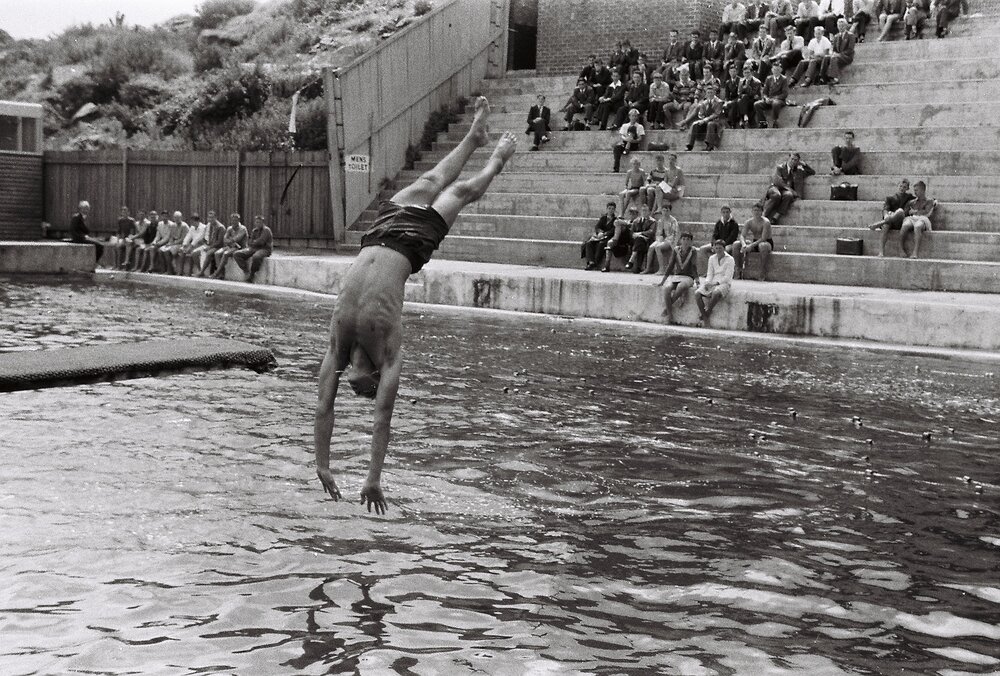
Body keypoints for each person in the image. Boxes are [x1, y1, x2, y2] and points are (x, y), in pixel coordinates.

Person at [314, 98, 517, 513]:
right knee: (460, 191)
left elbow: (322, 406)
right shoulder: (388, 352)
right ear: (370, 377)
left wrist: (323, 465)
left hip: (377, 235)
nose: (355, 390)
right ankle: (496, 159)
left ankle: (474, 136)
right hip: (411, 246)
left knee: (428, 177)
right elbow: (383, 419)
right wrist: (373, 478)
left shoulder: (338, 343)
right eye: (362, 390)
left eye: (352, 387)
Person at [763, 152, 815, 223]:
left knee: (789, 195)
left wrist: (804, 164)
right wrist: (791, 190)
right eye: (792, 159)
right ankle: (763, 216)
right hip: (775, 188)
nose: (793, 161)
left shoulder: (798, 171)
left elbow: (812, 172)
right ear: (788, 158)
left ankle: (775, 217)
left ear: (798, 162)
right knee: (777, 195)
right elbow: (778, 181)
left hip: (785, 191)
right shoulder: (780, 167)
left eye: (795, 160)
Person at [657, 231, 698, 324]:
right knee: (667, 289)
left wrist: (697, 281)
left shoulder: (693, 251)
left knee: (680, 287)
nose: (685, 241)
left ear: (691, 241)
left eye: (688, 239)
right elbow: (670, 265)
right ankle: (670, 315)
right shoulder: (676, 250)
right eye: (683, 239)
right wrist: (663, 281)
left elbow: (694, 266)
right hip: (677, 276)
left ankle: (667, 309)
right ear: (680, 240)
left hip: (688, 277)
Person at [868, 178, 915, 256]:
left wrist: (934, 201)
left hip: (901, 221)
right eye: (900, 186)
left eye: (904, 187)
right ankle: (881, 251)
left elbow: (921, 198)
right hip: (890, 221)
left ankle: (878, 224)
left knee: (900, 211)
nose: (902, 188)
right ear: (898, 186)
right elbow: (885, 209)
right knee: (886, 225)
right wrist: (886, 215)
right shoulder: (890, 198)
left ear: (907, 188)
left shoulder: (909, 197)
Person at [696, 239, 736, 325]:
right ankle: (705, 315)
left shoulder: (730, 259)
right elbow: (709, 273)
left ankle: (707, 313)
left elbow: (727, 277)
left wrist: (715, 283)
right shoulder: (711, 258)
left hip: (724, 283)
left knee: (715, 293)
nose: (718, 250)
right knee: (697, 293)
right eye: (716, 248)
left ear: (724, 249)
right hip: (712, 282)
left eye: (720, 248)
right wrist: (707, 282)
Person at [699, 204, 743, 273]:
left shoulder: (734, 223)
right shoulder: (719, 222)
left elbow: (732, 237)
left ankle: (723, 272)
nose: (725, 214)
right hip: (718, 244)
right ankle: (708, 271)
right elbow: (714, 235)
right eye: (724, 212)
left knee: (726, 250)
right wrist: (714, 245)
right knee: (702, 249)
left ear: (730, 212)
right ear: (721, 213)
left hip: (729, 244)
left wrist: (721, 246)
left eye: (727, 212)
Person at [899, 180, 936, 258]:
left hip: (923, 219)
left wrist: (914, 211)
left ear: (923, 190)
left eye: (917, 190)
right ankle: (900, 249)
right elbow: (906, 212)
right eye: (914, 190)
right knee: (905, 225)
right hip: (912, 218)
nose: (915, 192)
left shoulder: (929, 201)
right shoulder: (912, 202)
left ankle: (915, 252)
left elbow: (926, 212)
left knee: (917, 226)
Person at [738, 202, 774, 280]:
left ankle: (762, 271)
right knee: (736, 244)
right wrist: (744, 245)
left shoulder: (766, 222)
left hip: (767, 242)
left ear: (762, 212)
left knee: (762, 246)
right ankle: (738, 270)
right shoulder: (749, 222)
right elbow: (742, 236)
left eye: (758, 210)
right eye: (754, 210)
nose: (756, 212)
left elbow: (763, 238)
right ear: (752, 211)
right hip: (755, 241)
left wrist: (750, 246)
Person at [233, 215, 273, 282]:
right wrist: (255, 242)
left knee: (256, 256)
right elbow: (250, 242)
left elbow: (261, 242)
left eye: (259, 222)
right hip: (254, 248)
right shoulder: (254, 230)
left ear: (263, 223)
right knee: (237, 254)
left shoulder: (266, 230)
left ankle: (252, 274)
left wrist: (255, 242)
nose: (257, 224)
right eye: (256, 222)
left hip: (265, 249)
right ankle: (246, 270)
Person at [686, 85, 726, 151]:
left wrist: (706, 119)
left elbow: (716, 114)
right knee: (695, 124)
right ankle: (689, 145)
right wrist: (703, 119)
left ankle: (710, 145)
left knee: (710, 124)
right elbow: (700, 114)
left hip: (717, 122)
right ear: (706, 94)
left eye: (711, 92)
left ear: (714, 93)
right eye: (708, 93)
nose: (710, 94)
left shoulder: (719, 102)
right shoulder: (704, 103)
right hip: (706, 121)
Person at [645, 202, 679, 274]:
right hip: (662, 239)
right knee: (651, 247)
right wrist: (659, 239)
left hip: (670, 241)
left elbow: (674, 234)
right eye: (663, 210)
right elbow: (658, 233)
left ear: (670, 211)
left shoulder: (673, 221)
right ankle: (648, 268)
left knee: (658, 247)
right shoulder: (661, 221)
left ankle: (662, 269)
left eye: (667, 211)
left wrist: (666, 240)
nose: (665, 212)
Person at [582, 202, 618, 270]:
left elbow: (613, 230)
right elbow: (597, 227)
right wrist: (599, 233)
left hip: (608, 237)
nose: (611, 210)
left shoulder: (615, 220)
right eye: (609, 208)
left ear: (614, 210)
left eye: (612, 209)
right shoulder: (603, 218)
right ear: (606, 209)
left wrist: (604, 234)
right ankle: (591, 262)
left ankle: (596, 262)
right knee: (589, 243)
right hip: (600, 236)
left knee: (601, 244)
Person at [212, 213, 249, 278]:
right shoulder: (229, 228)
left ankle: (217, 273)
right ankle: (221, 274)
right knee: (217, 253)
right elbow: (224, 239)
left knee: (226, 254)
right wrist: (230, 241)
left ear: (238, 220)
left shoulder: (243, 228)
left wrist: (230, 240)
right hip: (230, 246)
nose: (233, 222)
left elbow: (237, 239)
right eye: (232, 220)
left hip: (240, 248)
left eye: (235, 220)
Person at [819, 17, 855, 84]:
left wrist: (839, 54)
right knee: (826, 57)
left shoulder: (851, 35)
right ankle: (822, 77)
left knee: (834, 58)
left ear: (846, 26)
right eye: (839, 26)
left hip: (847, 57)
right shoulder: (836, 36)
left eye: (842, 26)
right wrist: (833, 53)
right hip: (837, 56)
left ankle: (834, 78)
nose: (841, 27)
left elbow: (850, 49)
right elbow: (834, 49)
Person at [754, 62, 790, 128]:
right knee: (757, 104)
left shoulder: (784, 79)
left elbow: (785, 94)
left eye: (777, 70)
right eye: (774, 69)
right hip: (769, 99)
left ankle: (775, 121)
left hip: (779, 100)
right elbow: (765, 92)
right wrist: (766, 98)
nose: (775, 71)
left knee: (775, 103)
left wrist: (775, 98)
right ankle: (763, 122)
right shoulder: (769, 79)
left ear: (780, 70)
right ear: (772, 70)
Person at [193, 210, 226, 277]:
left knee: (209, 253)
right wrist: (204, 242)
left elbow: (219, 242)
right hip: (210, 245)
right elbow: (208, 238)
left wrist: (210, 247)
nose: (210, 219)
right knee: (194, 253)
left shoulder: (220, 227)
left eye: (212, 217)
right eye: (209, 217)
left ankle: (202, 272)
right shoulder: (210, 226)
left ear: (216, 217)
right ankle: (200, 270)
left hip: (218, 247)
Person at [624, 203, 656, 272]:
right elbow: (631, 232)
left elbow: (651, 232)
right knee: (639, 241)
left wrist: (640, 234)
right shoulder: (636, 221)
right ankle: (637, 266)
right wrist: (638, 235)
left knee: (640, 241)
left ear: (649, 212)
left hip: (647, 241)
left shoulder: (652, 221)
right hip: (636, 242)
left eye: (646, 211)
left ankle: (631, 261)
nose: (644, 212)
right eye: (643, 211)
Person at [612, 108, 645, 173]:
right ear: (629, 116)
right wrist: (627, 139)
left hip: (634, 143)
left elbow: (640, 138)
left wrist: (632, 140)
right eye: (632, 116)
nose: (634, 117)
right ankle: (616, 168)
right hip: (625, 142)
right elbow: (622, 136)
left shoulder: (640, 126)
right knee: (616, 148)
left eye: (635, 116)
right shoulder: (625, 125)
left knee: (632, 128)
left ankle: (627, 148)